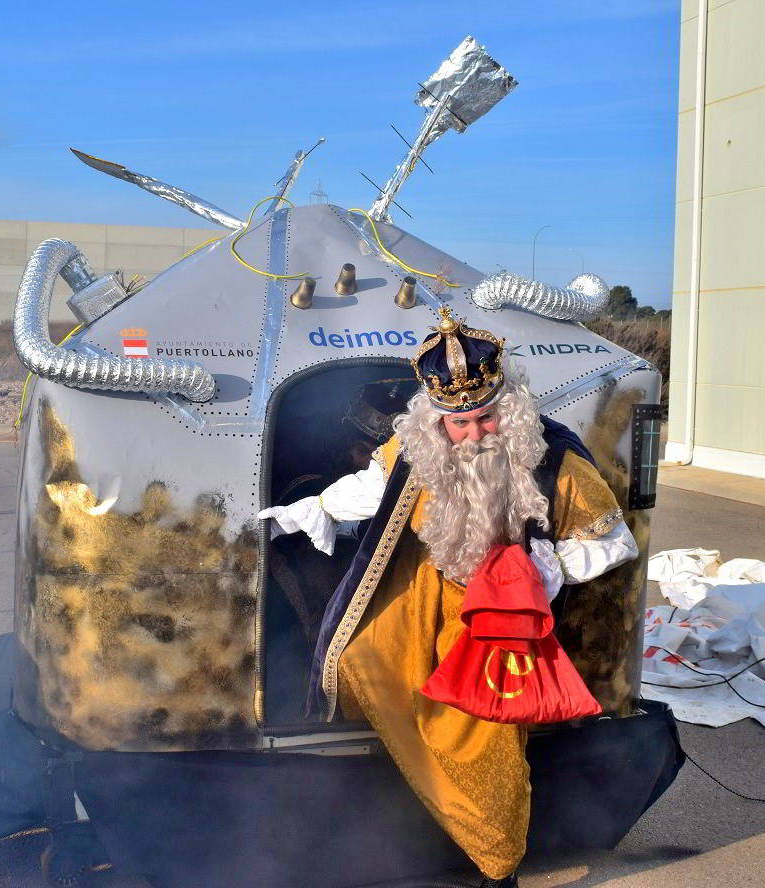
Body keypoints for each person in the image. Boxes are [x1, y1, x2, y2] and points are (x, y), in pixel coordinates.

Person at [260, 307, 638, 887]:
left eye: (486, 419)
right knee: (362, 660)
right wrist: (300, 513)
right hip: (421, 590)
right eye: (459, 424)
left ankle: (496, 861)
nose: (474, 434)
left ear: (507, 411)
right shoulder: (420, 451)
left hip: (498, 615)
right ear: (435, 422)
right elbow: (369, 490)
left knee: (477, 731)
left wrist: (545, 569)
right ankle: (418, 812)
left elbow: (612, 542)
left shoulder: (553, 460)